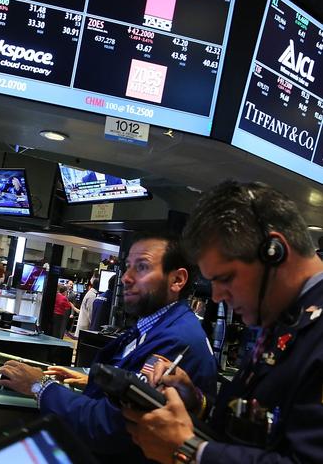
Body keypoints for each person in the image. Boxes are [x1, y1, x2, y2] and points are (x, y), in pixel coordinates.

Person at [124, 181, 323, 464]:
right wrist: (198, 404)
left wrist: (191, 452)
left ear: (275, 252)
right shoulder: (285, 317)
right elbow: (267, 429)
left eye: (226, 278)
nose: (217, 295)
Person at [0, 232, 217, 462]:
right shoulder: (155, 325)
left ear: (177, 280)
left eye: (141, 267)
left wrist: (39, 386)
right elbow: (130, 383)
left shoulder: (176, 341)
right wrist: (95, 381)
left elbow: (107, 427)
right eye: (128, 267)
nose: (126, 278)